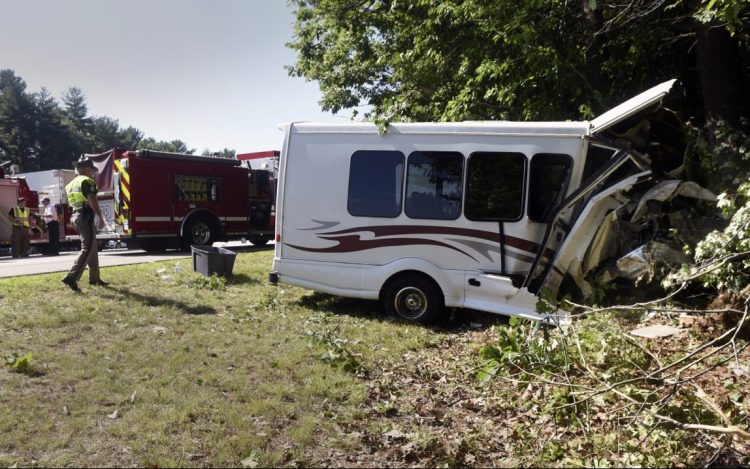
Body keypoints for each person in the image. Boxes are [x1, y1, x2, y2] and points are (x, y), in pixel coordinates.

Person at [62, 156, 108, 292]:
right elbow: (92, 199)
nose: (93, 172)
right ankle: (72, 276)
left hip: (75, 216)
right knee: (87, 248)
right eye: (92, 170)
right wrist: (100, 217)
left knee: (92, 247)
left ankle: (94, 278)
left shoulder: (70, 184)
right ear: (87, 169)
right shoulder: (88, 181)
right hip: (85, 216)